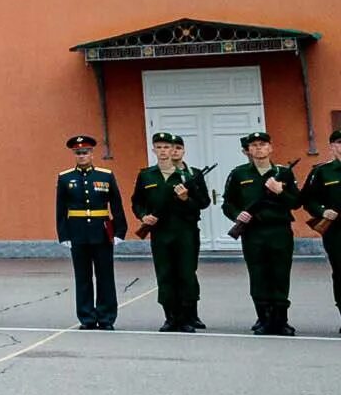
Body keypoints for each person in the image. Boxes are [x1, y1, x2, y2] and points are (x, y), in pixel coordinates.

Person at [222, 132, 302, 336]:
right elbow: (228, 203)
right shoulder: (239, 174)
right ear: (248, 150)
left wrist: (279, 191)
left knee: (280, 274)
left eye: (263, 144)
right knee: (258, 275)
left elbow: (296, 202)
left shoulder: (283, 172)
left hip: (279, 230)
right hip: (253, 232)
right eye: (254, 145)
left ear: (270, 148)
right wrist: (237, 215)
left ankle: (281, 320)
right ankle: (264, 318)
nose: (258, 148)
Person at [129, 132, 210, 331]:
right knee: (165, 274)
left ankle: (186, 317)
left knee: (185, 274)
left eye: (168, 147)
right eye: (160, 147)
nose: (164, 151)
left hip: (185, 231)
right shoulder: (147, 175)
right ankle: (170, 317)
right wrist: (143, 217)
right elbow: (137, 201)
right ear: (153, 149)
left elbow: (203, 203)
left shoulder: (188, 175)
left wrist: (186, 200)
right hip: (161, 232)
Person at [54, 134, 126, 329]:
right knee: (83, 277)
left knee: (105, 277)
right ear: (74, 154)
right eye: (78, 153)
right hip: (77, 232)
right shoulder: (65, 177)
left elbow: (116, 205)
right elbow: (60, 209)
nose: (82, 156)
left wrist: (120, 230)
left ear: (92, 154)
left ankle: (106, 317)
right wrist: (64, 234)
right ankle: (86, 317)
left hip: (101, 232)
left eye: (85, 152)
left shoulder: (105, 175)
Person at [302, 122, 341, 325]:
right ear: (332, 147)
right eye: (339, 143)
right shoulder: (321, 172)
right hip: (336, 231)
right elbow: (307, 199)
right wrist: (322, 211)